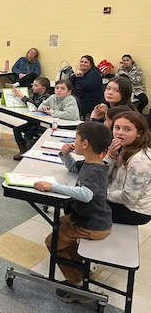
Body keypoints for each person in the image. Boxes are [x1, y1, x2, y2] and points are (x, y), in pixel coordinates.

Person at [35, 122, 113, 303]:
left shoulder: (95, 171)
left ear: (85, 144)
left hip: (91, 225)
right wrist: (65, 154)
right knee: (61, 223)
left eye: (76, 139)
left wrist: (53, 187)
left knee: (52, 243)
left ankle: (76, 284)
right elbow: (72, 168)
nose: (73, 142)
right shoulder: (92, 162)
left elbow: (86, 195)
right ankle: (83, 269)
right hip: (92, 219)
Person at [104, 111, 151, 225]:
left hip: (134, 210)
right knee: (78, 199)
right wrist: (111, 157)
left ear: (139, 133)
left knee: (80, 207)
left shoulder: (140, 161)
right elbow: (103, 176)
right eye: (117, 128)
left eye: (127, 129)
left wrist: (100, 193)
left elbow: (129, 197)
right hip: (117, 197)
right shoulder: (120, 148)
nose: (120, 133)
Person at [12, 77, 51, 160]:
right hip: (32, 122)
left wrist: (23, 96)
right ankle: (23, 150)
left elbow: (35, 105)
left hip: (40, 125)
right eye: (33, 84)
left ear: (43, 88)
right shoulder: (34, 94)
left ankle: (30, 153)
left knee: (28, 134)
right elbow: (29, 104)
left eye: (36, 85)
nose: (33, 87)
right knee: (16, 130)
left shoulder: (46, 97)